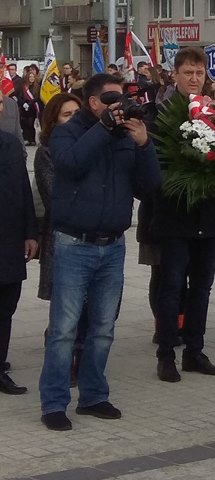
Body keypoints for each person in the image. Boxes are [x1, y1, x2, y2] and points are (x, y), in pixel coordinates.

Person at [39, 73, 160, 430]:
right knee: (63, 329)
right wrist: (103, 129)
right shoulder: (68, 132)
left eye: (122, 99)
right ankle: (54, 403)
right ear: (94, 102)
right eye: (112, 99)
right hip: (73, 244)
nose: (119, 105)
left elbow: (149, 187)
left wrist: (143, 145)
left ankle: (93, 396)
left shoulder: (125, 134)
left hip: (112, 245)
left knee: (104, 328)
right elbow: (71, 164)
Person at [152, 49, 215, 384]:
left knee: (202, 288)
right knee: (172, 289)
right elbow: (156, 165)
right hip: (174, 218)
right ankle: (166, 354)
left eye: (199, 73)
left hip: (209, 216)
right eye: (187, 72)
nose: (194, 78)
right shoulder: (161, 114)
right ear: (175, 75)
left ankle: (194, 352)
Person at [0, 126, 38, 395]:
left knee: (5, 307)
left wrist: (30, 233)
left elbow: (23, 189)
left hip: (9, 239)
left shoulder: (11, 144)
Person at [33, 94, 82, 303]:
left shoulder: (94, 144)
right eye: (67, 114)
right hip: (63, 239)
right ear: (54, 121)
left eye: (77, 114)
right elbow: (55, 195)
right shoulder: (46, 153)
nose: (73, 119)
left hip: (94, 238)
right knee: (65, 314)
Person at [17, 69, 41, 146]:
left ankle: (32, 139)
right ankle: (26, 139)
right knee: (24, 123)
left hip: (32, 107)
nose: (31, 78)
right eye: (30, 77)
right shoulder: (23, 87)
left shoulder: (37, 87)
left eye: (33, 77)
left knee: (30, 123)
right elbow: (19, 96)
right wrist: (23, 104)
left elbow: (37, 97)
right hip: (23, 107)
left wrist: (30, 104)